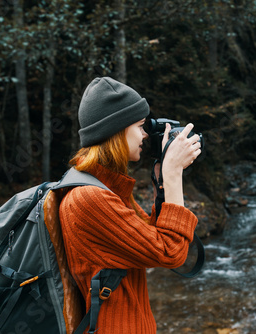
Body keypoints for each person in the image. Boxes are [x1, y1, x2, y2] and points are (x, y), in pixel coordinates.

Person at [59, 77, 202, 333]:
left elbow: (147, 243)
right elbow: (171, 253)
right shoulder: (89, 199)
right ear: (116, 130)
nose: (146, 134)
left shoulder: (104, 188)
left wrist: (161, 183)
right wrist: (173, 175)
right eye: (139, 126)